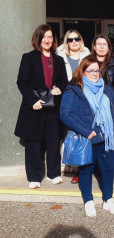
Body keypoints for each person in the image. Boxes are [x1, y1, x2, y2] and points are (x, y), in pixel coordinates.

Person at [60, 57, 114, 217]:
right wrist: (85, 130)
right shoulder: (74, 90)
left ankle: (108, 199)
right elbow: (65, 114)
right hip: (87, 138)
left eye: (98, 70)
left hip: (106, 138)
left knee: (108, 170)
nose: (95, 74)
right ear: (83, 72)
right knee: (86, 171)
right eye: (91, 71)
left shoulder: (107, 89)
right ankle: (88, 201)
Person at [15, 24, 68, 189]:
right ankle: (34, 177)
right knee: (34, 143)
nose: (47, 40)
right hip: (34, 107)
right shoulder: (28, 57)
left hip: (53, 108)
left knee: (53, 142)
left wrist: (60, 88)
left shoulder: (58, 60)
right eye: (44, 36)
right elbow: (21, 82)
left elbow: (64, 82)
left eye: (50, 37)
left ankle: (54, 173)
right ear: (38, 38)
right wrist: (33, 101)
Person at [56, 29, 91, 184]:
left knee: (79, 131)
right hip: (65, 97)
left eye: (77, 38)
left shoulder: (87, 56)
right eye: (70, 40)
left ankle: (77, 166)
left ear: (81, 40)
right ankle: (66, 163)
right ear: (66, 42)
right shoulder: (60, 56)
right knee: (64, 132)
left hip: (83, 97)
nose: (74, 42)